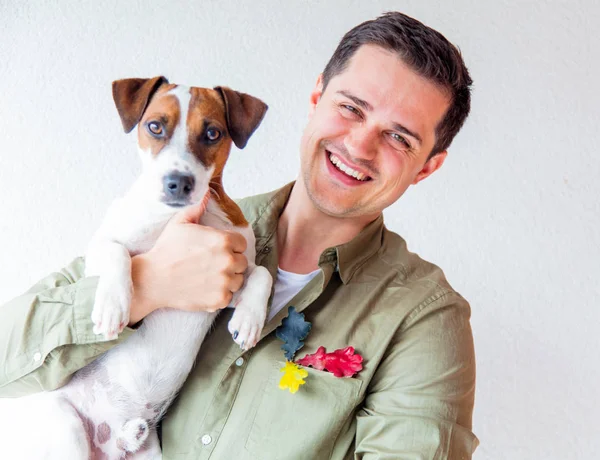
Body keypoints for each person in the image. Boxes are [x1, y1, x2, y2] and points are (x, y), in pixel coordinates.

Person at [0, 11, 478, 459]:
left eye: (399, 137)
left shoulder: (424, 320)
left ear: (428, 168)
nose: (359, 145)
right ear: (316, 99)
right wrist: (149, 285)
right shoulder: (177, 221)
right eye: (351, 108)